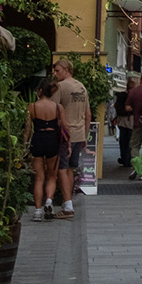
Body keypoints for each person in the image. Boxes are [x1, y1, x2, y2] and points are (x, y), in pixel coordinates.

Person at [51, 59, 92, 216]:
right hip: (79, 134)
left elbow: (53, 111)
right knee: (70, 169)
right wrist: (85, 135)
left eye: (58, 71)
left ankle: (68, 206)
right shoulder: (81, 87)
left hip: (65, 135)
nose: (55, 74)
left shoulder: (60, 87)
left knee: (61, 168)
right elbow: (88, 114)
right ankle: (66, 201)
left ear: (67, 70)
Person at [25, 79, 64, 222]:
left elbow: (27, 130)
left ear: (40, 91)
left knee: (39, 178)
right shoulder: (58, 107)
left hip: (38, 140)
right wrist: (70, 145)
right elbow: (64, 127)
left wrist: (23, 146)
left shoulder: (32, 107)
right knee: (51, 176)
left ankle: (37, 211)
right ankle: (49, 201)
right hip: (52, 140)